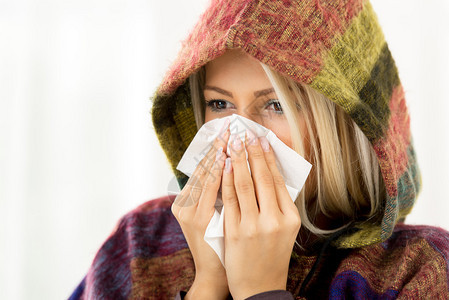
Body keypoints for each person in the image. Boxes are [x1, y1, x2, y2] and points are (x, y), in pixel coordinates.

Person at [69, 0, 449, 299]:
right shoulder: (141, 242)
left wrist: (260, 291)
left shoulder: (418, 270)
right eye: (219, 104)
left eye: (275, 105)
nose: (239, 133)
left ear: (343, 127)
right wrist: (208, 287)